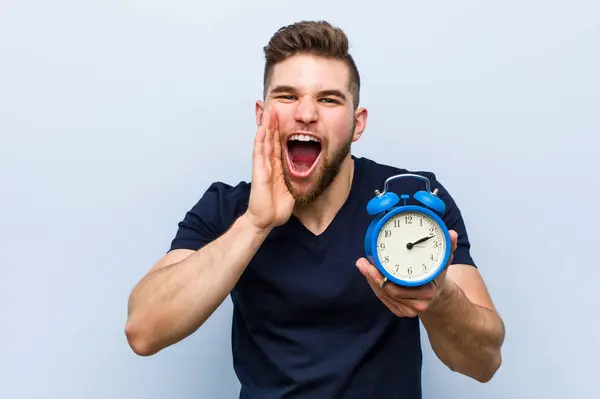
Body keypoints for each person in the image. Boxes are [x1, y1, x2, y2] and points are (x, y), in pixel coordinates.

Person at [125, 20, 505, 399]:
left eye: (328, 99)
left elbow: (484, 362)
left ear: (357, 124)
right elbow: (143, 330)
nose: (306, 113)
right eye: (288, 96)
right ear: (261, 115)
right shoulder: (227, 209)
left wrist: (439, 300)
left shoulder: (416, 204)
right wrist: (255, 224)